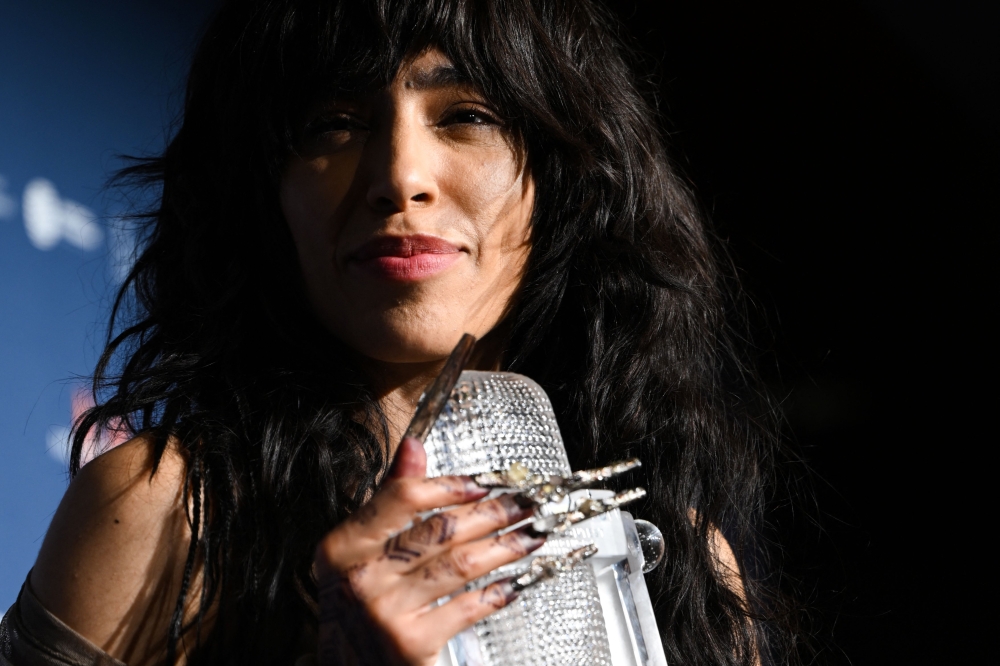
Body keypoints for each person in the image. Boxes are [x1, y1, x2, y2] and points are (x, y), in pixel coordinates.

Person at [1, 0, 806, 664]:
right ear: (264, 192)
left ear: (560, 182)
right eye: (333, 124)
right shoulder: (169, 508)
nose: (400, 176)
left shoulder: (687, 557)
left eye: (466, 115)